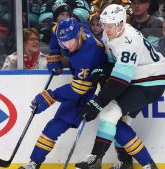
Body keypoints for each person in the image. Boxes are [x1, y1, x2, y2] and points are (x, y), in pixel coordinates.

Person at [75, 4, 165, 169]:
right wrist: (103, 72)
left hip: (151, 81)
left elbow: (120, 80)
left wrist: (98, 103)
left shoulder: (129, 40)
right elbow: (113, 64)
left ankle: (97, 160)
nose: (106, 29)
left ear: (121, 23)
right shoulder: (108, 34)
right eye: (104, 24)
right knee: (119, 121)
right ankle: (126, 162)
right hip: (138, 78)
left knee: (108, 115)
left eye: (110, 25)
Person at [19, 17, 107, 169]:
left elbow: (78, 90)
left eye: (69, 42)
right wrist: (54, 54)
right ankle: (33, 163)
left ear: (79, 34)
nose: (66, 47)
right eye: (62, 43)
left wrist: (50, 96)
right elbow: (54, 30)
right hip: (81, 83)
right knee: (53, 127)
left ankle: (118, 160)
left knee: (114, 127)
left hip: (99, 89)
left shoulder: (90, 53)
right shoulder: (66, 30)